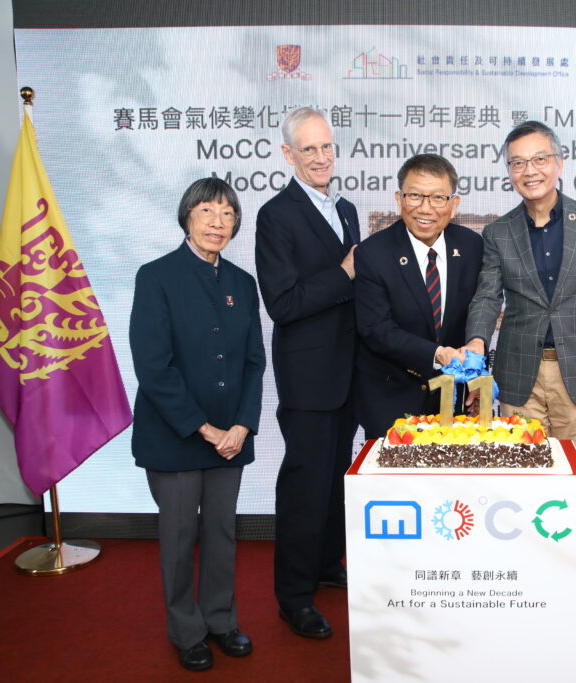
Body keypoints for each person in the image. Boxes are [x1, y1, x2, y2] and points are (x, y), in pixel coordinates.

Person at [463, 120, 576, 626]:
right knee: (524, 487)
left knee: (574, 488)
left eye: (538, 159)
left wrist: (572, 332)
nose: (529, 171)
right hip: (518, 375)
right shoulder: (498, 231)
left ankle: (574, 590)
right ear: (509, 171)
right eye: (517, 162)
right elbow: (489, 295)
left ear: (558, 162)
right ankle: (527, 589)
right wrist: (477, 340)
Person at [129, 178, 264, 671]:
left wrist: (242, 427)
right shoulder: (156, 276)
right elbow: (153, 366)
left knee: (224, 533)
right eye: (206, 211)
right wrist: (204, 429)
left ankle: (221, 621)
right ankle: (187, 631)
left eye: (227, 214)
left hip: (231, 438)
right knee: (180, 536)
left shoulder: (241, 284)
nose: (217, 222)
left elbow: (254, 362)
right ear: (187, 216)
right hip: (177, 437)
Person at [255, 107, 361, 639]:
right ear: (287, 154)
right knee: (304, 486)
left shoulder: (346, 208)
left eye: (327, 147)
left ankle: (325, 564)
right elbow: (283, 303)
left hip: (348, 374)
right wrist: (343, 273)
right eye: (309, 149)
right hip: (308, 378)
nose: (321, 158)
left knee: (336, 480)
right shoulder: (276, 216)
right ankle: (293, 596)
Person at [354, 154, 484, 438]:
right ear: (399, 198)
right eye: (414, 196)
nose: (425, 208)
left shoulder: (472, 246)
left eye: (438, 198)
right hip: (392, 402)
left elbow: (481, 309)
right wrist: (436, 354)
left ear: (454, 204)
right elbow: (376, 330)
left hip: (455, 404)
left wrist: (477, 372)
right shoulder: (373, 253)